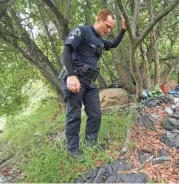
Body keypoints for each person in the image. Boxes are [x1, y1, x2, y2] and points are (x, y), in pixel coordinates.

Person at [61, 9, 127, 160]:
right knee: (74, 115)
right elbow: (66, 51)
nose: (109, 30)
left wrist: (123, 29)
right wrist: (71, 76)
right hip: (76, 78)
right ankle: (73, 150)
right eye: (107, 26)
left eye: (111, 28)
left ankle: (91, 143)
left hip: (90, 82)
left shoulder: (100, 41)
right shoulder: (82, 31)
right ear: (98, 19)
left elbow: (114, 43)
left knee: (96, 114)